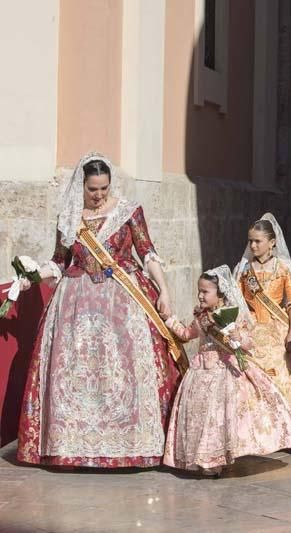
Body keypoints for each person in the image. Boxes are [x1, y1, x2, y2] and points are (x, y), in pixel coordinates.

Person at [16, 152, 183, 468]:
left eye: (104, 188)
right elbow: (59, 261)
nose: (98, 195)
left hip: (123, 301)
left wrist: (165, 290)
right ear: (81, 186)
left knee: (125, 367)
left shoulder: (128, 212)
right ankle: (72, 446)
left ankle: (132, 444)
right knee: (75, 369)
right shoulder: (69, 218)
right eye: (93, 189)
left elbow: (147, 252)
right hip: (75, 302)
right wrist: (32, 275)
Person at [163, 266, 291, 474]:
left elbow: (249, 344)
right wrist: (169, 319)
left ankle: (220, 456)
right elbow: (187, 334)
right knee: (203, 416)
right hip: (201, 371)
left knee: (222, 416)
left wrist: (236, 337)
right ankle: (207, 459)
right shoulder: (201, 316)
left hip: (226, 370)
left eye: (205, 292)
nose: (200, 296)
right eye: (199, 291)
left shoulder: (234, 316)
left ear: (220, 293)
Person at [234, 214, 291, 413]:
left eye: (257, 241)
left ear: (272, 242)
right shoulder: (243, 270)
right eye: (250, 241)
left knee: (282, 376)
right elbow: (235, 302)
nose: (252, 246)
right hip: (251, 328)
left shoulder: (284, 268)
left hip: (278, 329)